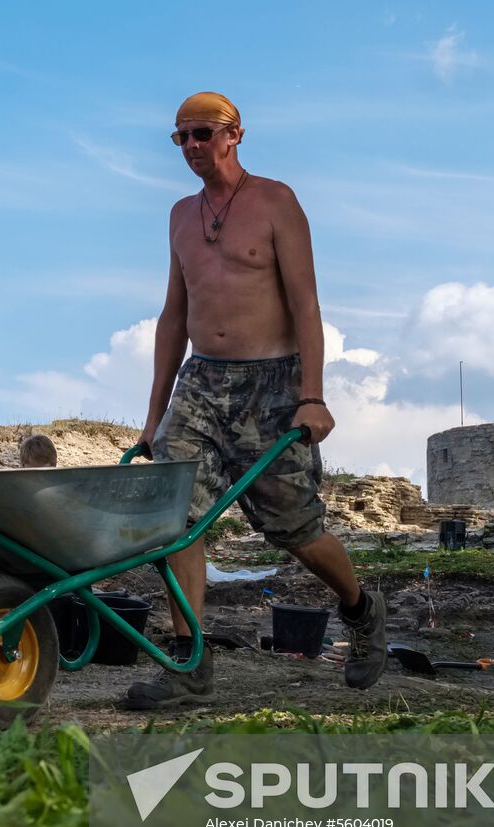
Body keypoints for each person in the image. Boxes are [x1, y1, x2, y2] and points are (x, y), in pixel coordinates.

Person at [125, 92, 387, 710]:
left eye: (202, 134)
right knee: (175, 518)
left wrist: (312, 396)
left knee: (294, 528)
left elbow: (306, 304)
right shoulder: (179, 216)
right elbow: (174, 315)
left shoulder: (275, 201)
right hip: (201, 382)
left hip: (273, 383)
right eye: (180, 137)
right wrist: (153, 416)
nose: (191, 147)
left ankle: (360, 608)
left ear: (234, 133)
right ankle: (190, 664)